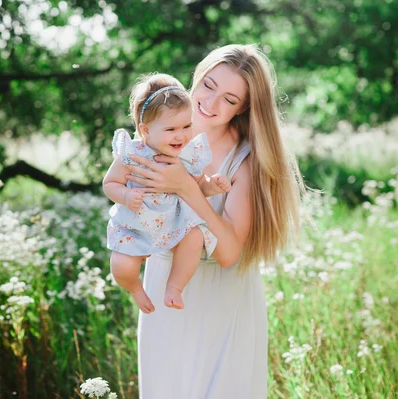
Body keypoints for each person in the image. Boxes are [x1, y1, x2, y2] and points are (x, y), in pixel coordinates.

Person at [130, 45, 304, 397]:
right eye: (208, 86)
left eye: (228, 99)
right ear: (196, 77)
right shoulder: (159, 131)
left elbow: (228, 254)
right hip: (165, 288)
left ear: (243, 108)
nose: (209, 103)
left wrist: (188, 189)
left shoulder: (246, 160)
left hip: (223, 296)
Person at [103, 73, 232, 314]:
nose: (181, 135)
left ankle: (174, 287)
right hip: (135, 224)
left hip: (172, 222)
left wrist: (211, 185)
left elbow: (197, 186)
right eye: (171, 129)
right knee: (121, 267)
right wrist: (126, 196)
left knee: (194, 237)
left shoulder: (187, 155)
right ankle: (134, 288)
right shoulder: (132, 154)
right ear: (146, 130)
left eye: (186, 126)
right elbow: (110, 183)